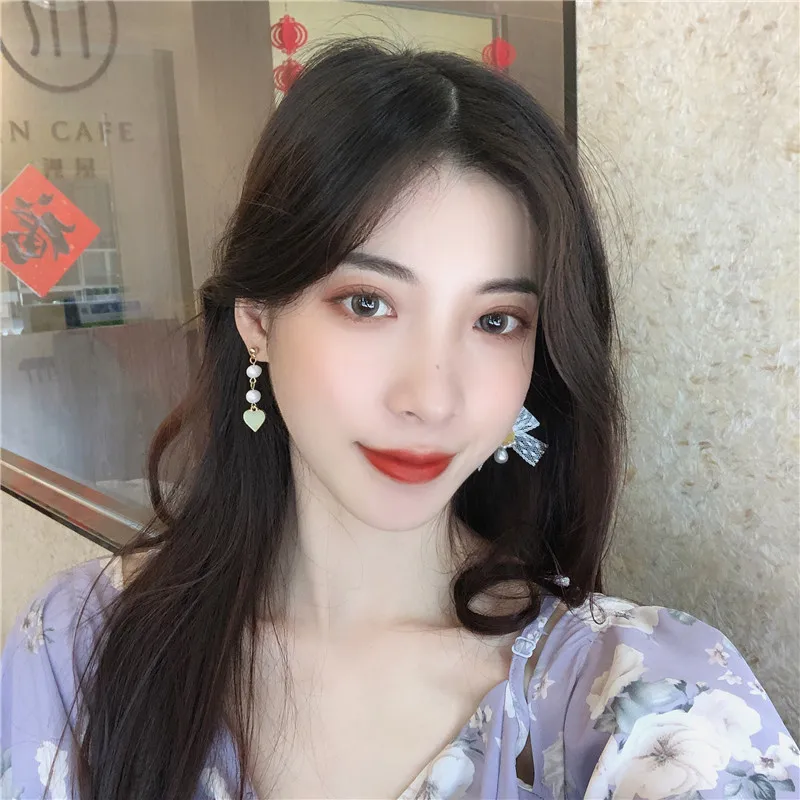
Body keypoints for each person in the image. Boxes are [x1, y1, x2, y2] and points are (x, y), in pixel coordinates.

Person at [1, 37, 797, 800]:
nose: (431, 397)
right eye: (368, 303)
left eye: (496, 321)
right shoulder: (80, 649)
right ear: (258, 320)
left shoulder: (642, 704)